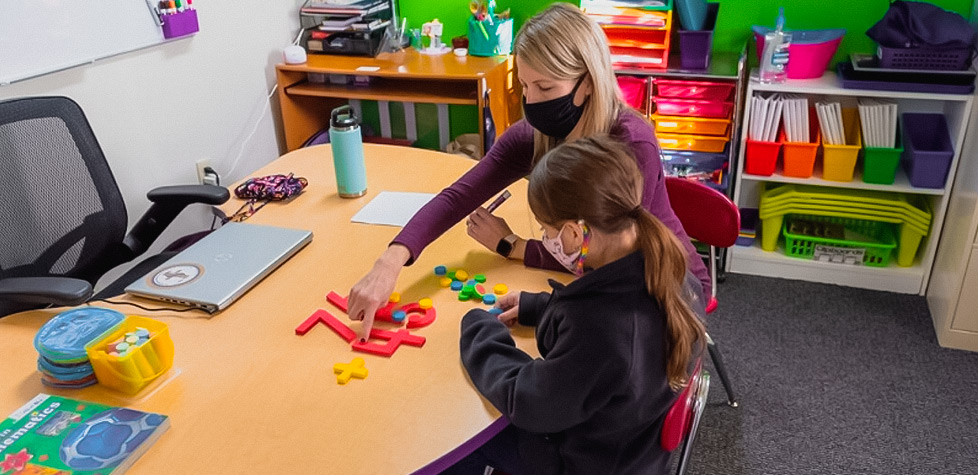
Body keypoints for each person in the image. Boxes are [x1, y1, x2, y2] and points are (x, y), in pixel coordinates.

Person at [345, 2, 709, 340]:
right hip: (599, 280)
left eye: (545, 87)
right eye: (524, 85)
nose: (531, 100)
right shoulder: (533, 135)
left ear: (586, 83)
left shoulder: (631, 143)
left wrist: (516, 248)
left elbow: (611, 259)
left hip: (664, 286)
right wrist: (389, 262)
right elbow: (458, 197)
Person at [445, 135, 707, 475]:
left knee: (461, 439)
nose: (545, 238)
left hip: (583, 462)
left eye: (546, 229)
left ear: (573, 233)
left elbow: (528, 402)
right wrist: (538, 306)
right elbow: (601, 328)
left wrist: (480, 331)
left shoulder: (602, 329)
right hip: (633, 449)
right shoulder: (671, 269)